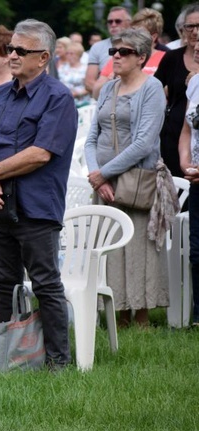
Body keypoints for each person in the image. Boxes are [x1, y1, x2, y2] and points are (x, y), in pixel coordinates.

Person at [0, 19, 78, 369]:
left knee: (46, 283)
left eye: (21, 50)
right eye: (10, 49)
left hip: (36, 205)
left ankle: (57, 362)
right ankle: (13, 357)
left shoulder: (58, 97)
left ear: (43, 57)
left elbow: (40, 153)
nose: (12, 55)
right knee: (4, 283)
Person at [86, 28, 168, 327]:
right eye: (113, 51)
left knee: (138, 249)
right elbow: (91, 137)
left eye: (124, 52)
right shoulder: (108, 88)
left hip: (137, 181)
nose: (116, 56)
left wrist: (103, 174)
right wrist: (98, 176)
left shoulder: (152, 88)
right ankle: (117, 315)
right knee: (110, 248)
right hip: (104, 181)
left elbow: (144, 143)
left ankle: (142, 318)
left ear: (141, 57)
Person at [155, 3, 199, 178]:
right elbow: (155, 88)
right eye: (190, 26)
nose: (195, 31)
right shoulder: (172, 57)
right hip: (174, 135)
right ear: (183, 29)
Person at [92, 8, 169, 99]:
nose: (132, 36)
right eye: (132, 31)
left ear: (153, 37)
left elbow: (172, 92)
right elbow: (95, 94)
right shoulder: (119, 56)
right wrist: (109, 82)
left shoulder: (166, 58)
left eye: (139, 34)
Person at [179, 71, 199, 325]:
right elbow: (186, 129)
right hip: (196, 178)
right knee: (197, 249)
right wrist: (185, 161)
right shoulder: (194, 82)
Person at [85, 7, 131, 94]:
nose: (113, 24)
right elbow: (89, 83)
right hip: (105, 98)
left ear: (129, 23)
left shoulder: (137, 46)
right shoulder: (97, 47)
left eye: (118, 21)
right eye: (110, 21)